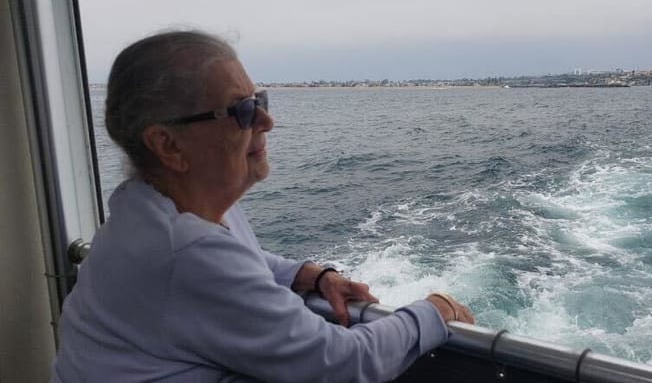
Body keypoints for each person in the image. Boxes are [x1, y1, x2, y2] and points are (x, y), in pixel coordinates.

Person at [51, 30, 474, 383]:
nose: (266, 122)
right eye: (242, 110)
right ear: (168, 144)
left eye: (260, 101)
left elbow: (234, 260)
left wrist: (306, 274)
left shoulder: (149, 206)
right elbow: (343, 362)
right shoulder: (184, 249)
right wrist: (434, 311)